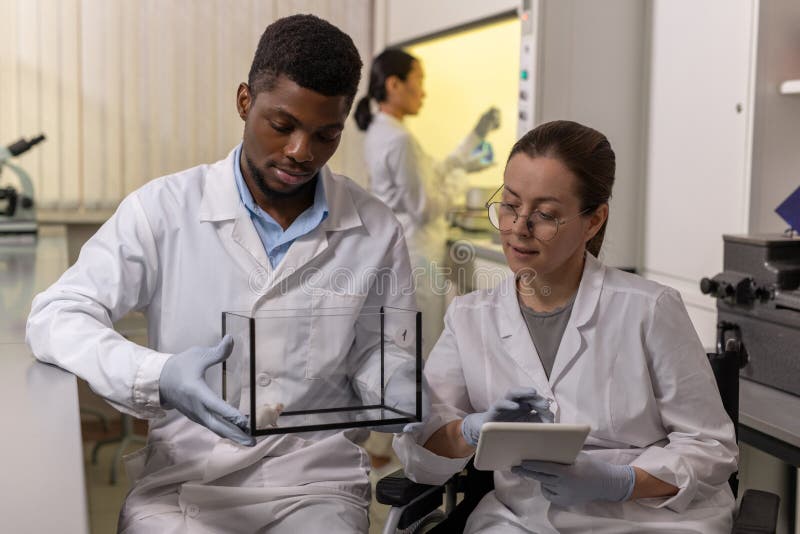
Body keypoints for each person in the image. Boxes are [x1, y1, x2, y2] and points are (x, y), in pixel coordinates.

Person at [27, 15, 423, 534]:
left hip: (314, 486)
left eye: (325, 135)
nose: (301, 152)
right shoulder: (163, 209)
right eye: (282, 126)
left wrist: (397, 389)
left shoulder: (374, 228)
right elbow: (55, 315)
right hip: (185, 485)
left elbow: (381, 350)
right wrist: (160, 375)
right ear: (244, 102)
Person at [393, 120, 739, 533]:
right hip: (523, 521)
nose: (518, 227)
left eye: (545, 215)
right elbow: (420, 453)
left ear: (592, 222)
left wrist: (621, 482)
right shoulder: (470, 317)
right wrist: (472, 430)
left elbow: (712, 448)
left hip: (648, 520)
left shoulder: (650, 308)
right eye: (509, 204)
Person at [354, 48, 500, 358]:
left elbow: (429, 172)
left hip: (401, 249)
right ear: (394, 85)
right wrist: (463, 177)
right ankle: (424, 406)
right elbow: (425, 207)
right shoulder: (399, 139)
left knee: (406, 343)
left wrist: (476, 135)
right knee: (423, 342)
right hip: (417, 254)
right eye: (419, 80)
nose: (424, 92)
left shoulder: (383, 130)